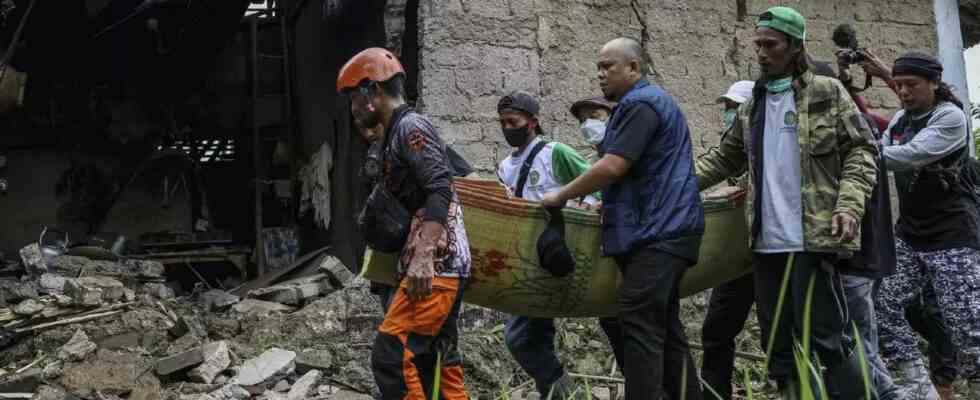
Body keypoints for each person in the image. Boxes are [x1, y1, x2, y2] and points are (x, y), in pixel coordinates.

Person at [694, 6, 879, 398]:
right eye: (758, 43)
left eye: (771, 44)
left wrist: (848, 205)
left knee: (829, 340)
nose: (762, 52)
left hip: (811, 239)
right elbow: (721, 160)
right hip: (765, 245)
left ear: (795, 46)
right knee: (778, 345)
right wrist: (668, 189)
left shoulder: (827, 92)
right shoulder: (753, 105)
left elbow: (863, 151)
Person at [541, 37, 705, 400]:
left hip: (658, 233)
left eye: (608, 67)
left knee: (639, 326)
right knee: (665, 328)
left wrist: (561, 194)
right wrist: (610, 206)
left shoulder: (640, 104)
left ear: (634, 68)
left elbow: (614, 166)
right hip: (666, 229)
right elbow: (642, 174)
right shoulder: (647, 104)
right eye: (598, 67)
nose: (600, 75)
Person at [337, 47, 470, 400]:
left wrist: (424, 255)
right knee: (436, 365)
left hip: (436, 266)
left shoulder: (411, 127)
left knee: (391, 359)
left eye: (353, 98)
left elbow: (440, 186)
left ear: (371, 93)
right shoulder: (393, 134)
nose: (352, 108)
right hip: (439, 266)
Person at [494, 91, 622, 399]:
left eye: (513, 121)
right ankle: (561, 393)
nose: (507, 127)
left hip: (562, 254)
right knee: (531, 337)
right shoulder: (504, 167)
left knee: (521, 336)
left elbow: (598, 185)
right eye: (502, 123)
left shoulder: (555, 153)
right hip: (528, 259)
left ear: (532, 122)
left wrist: (589, 207)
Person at [874, 50, 980, 400]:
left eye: (911, 84)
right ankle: (919, 390)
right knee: (884, 305)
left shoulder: (950, 118)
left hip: (952, 236)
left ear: (934, 84)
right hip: (910, 234)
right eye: (899, 84)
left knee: (966, 326)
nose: (903, 92)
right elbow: (883, 146)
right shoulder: (901, 120)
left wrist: (855, 151)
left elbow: (909, 155)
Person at [698, 80, 758, 400]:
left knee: (781, 335)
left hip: (768, 252)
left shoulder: (766, 142)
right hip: (736, 259)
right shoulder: (732, 152)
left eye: (734, 108)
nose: (728, 114)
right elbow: (717, 166)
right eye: (727, 109)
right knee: (717, 329)